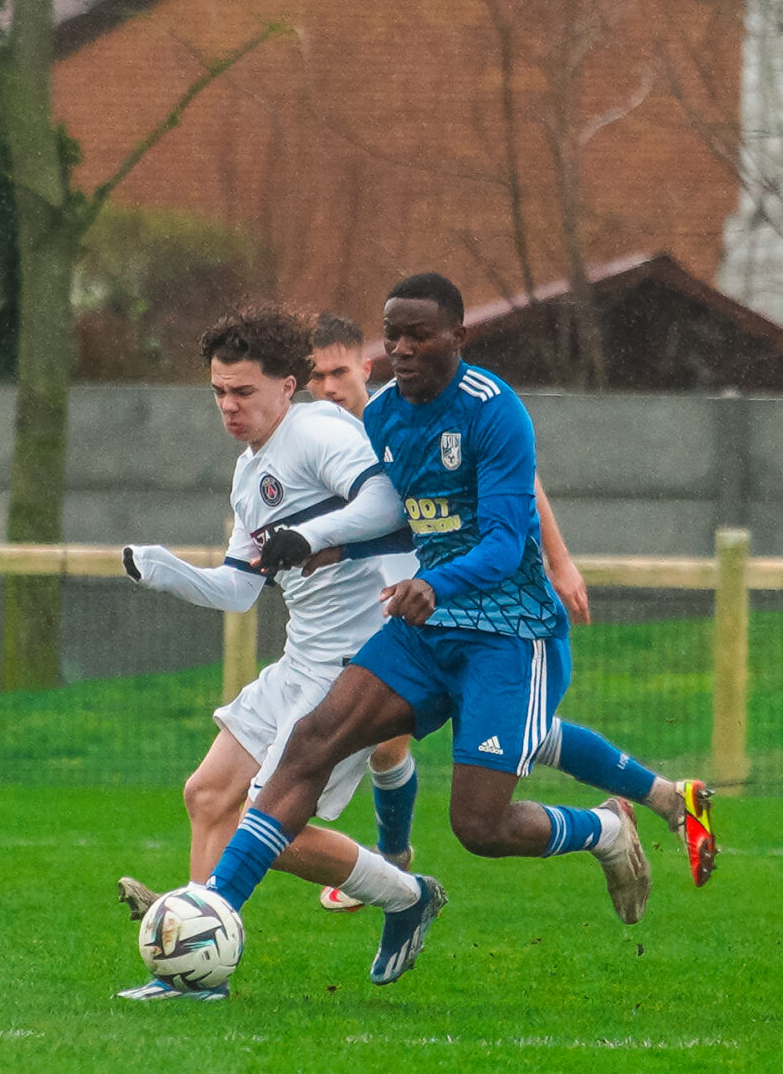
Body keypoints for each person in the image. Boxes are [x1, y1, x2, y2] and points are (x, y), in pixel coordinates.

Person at [196, 273, 715, 985]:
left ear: (457, 337)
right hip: (426, 628)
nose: (403, 348)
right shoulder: (382, 417)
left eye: (420, 335)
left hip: (510, 633)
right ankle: (211, 914)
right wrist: (325, 546)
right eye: (394, 335)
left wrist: (437, 582)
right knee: (311, 742)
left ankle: (605, 826)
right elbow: (397, 523)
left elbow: (503, 540)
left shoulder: (493, 410)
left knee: (479, 825)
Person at [302, 312, 714, 912]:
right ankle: (666, 797)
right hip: (399, 604)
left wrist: (559, 560)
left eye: (339, 372)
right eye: (316, 377)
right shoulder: (322, 437)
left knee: (436, 751)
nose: (328, 387)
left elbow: (521, 485)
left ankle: (392, 859)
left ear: (365, 368)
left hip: (460, 602)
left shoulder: (402, 414)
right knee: (515, 735)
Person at [111, 305, 445, 998]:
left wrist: (312, 533)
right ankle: (192, 968)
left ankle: (407, 894)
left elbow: (388, 505)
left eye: (243, 391)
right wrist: (166, 570)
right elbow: (239, 589)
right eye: (218, 392)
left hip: (355, 671)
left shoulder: (318, 430)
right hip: (300, 664)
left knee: (272, 829)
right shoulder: (248, 474)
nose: (228, 406)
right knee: (208, 794)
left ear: (287, 386)